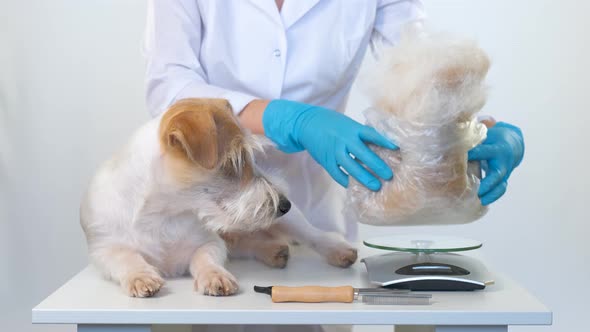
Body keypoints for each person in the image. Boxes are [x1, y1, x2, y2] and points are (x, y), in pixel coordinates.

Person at [144, 0, 524, 241]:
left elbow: (422, 76)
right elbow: (169, 85)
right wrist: (286, 118)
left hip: (314, 207)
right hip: (203, 204)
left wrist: (476, 131)